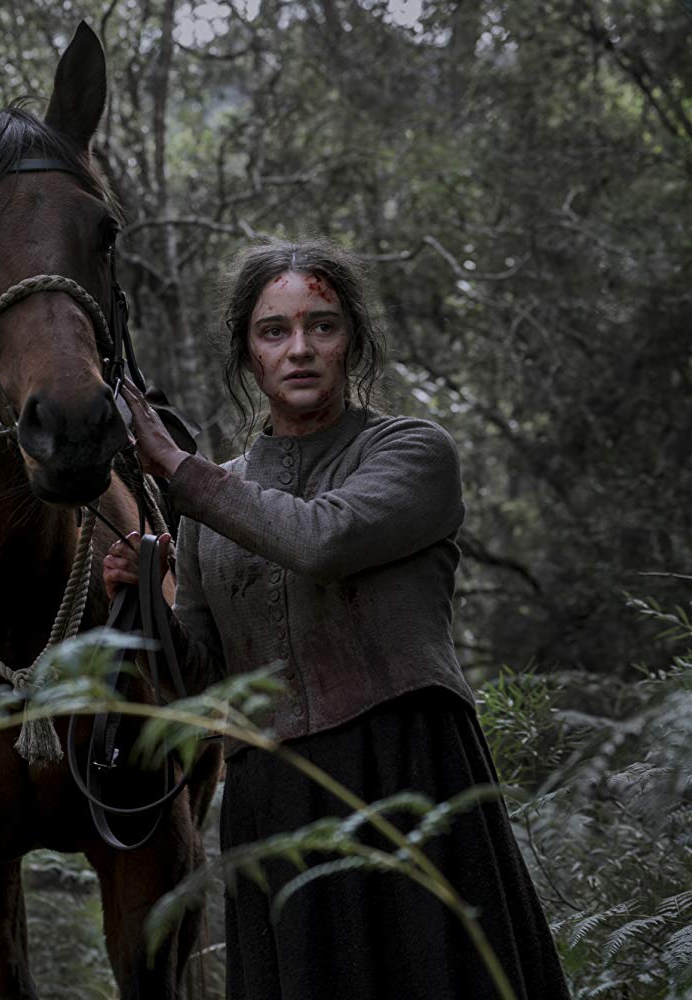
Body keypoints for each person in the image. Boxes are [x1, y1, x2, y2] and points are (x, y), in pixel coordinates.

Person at [103, 239, 570, 999]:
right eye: (273, 330)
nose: (299, 349)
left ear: (351, 339)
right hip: (271, 795)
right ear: (247, 353)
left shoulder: (412, 453)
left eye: (321, 326)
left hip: (404, 767)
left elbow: (324, 540)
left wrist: (177, 471)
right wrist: (137, 603)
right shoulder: (207, 503)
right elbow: (197, 677)